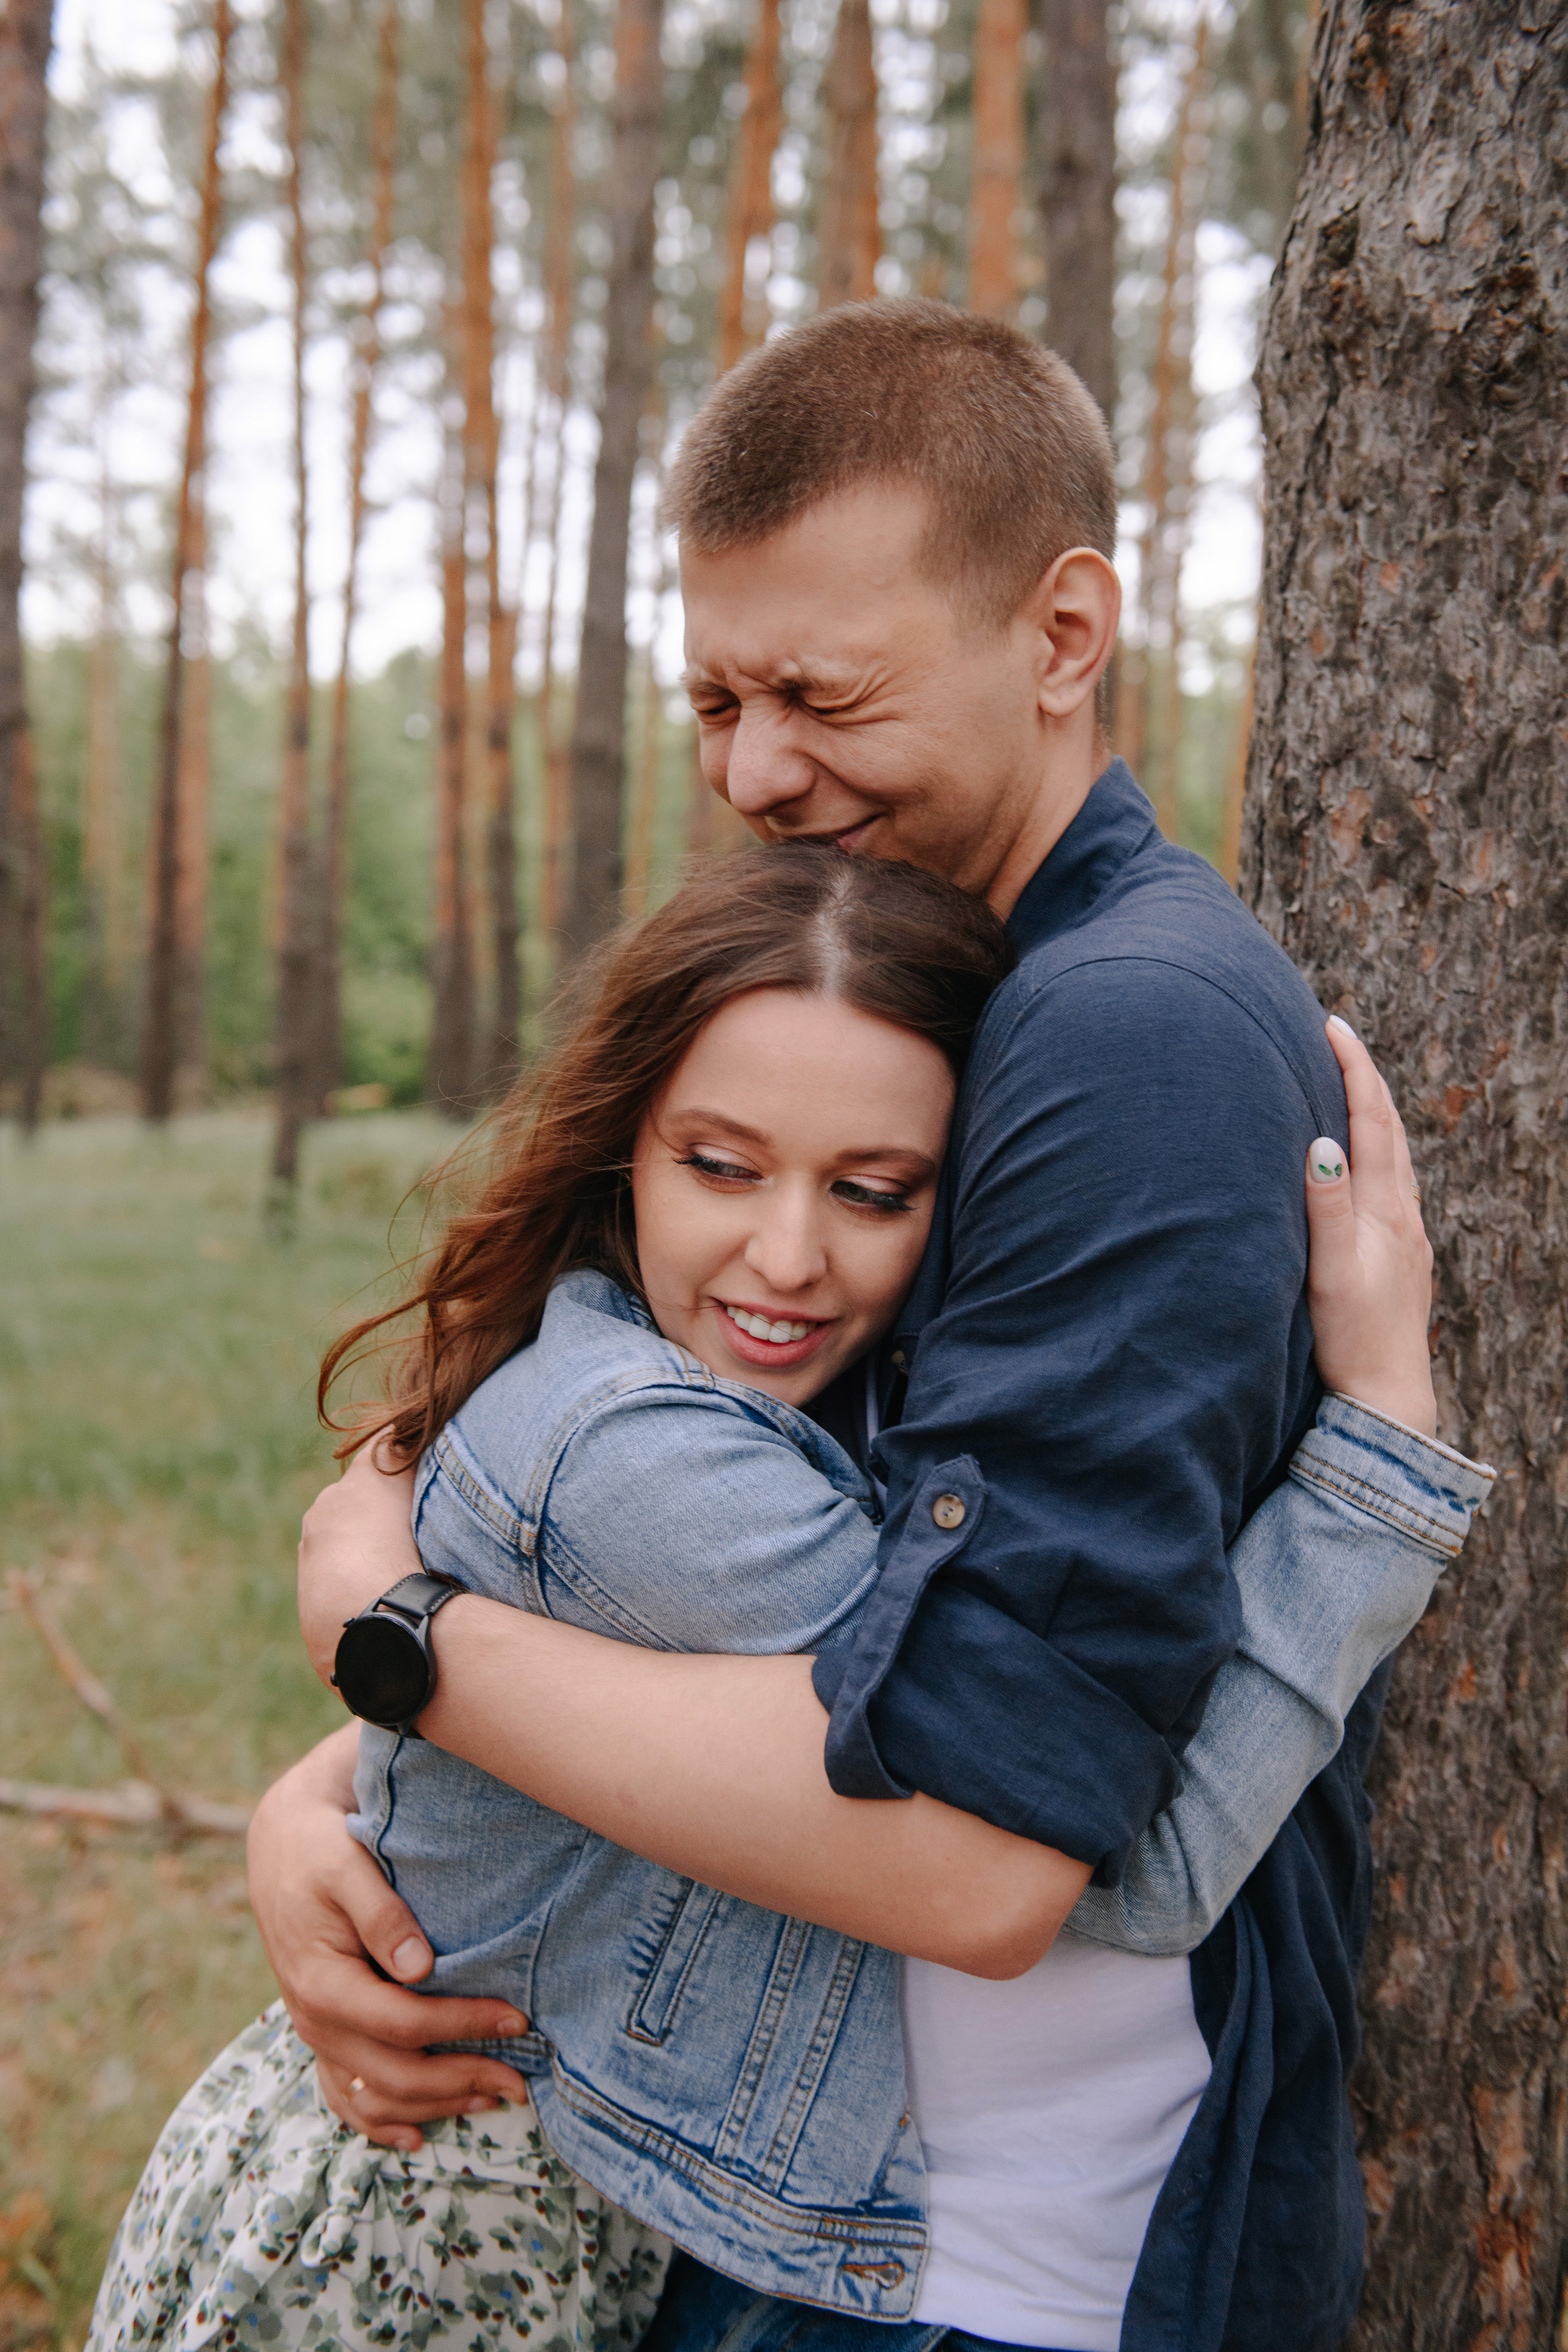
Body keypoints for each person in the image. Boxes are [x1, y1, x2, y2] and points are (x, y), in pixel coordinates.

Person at [252, 302, 1493, 2350]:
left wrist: (402, 1641)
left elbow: (988, 1844)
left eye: (823, 694)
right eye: (717, 697)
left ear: (1064, 635)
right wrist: (337, 1794)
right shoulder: (934, 989)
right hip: (810, 2206)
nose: (754, 770)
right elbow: (785, 1598)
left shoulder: (1123, 1040)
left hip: (983, 2274)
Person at [92, 848, 1488, 2352]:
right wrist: (1375, 1444)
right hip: (411, 2266)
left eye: (873, 1192)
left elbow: (632, 1735)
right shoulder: (631, 1450)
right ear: (623, 1149)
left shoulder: (749, 1395)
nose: (786, 1258)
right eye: (719, 1166)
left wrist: (360, 1722)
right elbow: (1089, 1858)